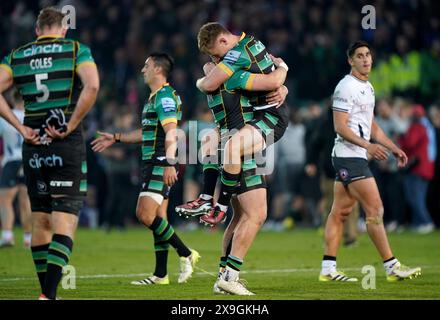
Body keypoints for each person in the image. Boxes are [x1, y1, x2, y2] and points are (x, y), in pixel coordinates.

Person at [0, 7, 99, 299]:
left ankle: (46, 293)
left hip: (32, 146)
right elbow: (92, 86)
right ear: (64, 29)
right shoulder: (75, 49)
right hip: (64, 145)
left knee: (40, 221)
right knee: (64, 223)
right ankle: (48, 295)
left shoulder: (17, 56)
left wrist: (19, 127)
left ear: (37, 30)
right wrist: (71, 124)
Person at [91, 52, 200, 285]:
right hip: (154, 160)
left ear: (158, 70)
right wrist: (117, 137)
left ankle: (186, 253)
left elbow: (171, 132)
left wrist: (170, 163)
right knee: (159, 218)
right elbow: (146, 133)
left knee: (144, 214)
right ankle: (161, 274)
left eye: (147, 65)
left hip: (161, 161)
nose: (142, 70)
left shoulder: (165, 97)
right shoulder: (154, 97)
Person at [319, 40, 421, 282]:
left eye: (368, 55)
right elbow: (339, 126)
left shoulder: (368, 87)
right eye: (360, 56)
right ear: (350, 61)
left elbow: (371, 125)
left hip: (351, 156)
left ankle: (327, 270)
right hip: (349, 156)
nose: (366, 59)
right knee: (375, 210)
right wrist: (369, 146)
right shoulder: (346, 87)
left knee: (340, 213)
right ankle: (391, 267)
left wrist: (394, 147)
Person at [194, 22, 290, 226]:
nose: (216, 60)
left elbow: (210, 82)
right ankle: (206, 198)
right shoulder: (250, 43)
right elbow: (271, 75)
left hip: (271, 117)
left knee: (232, 146)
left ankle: (220, 206)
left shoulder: (236, 54)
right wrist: (282, 79)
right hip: (258, 115)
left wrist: (199, 82)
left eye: (215, 54)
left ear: (223, 40)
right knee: (211, 138)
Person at [0, 90, 32, 248]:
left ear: (12, 98)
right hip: (27, 161)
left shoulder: (5, 117)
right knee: (26, 201)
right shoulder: (32, 117)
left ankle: (7, 235)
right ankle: (28, 238)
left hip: (11, 160)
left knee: (5, 201)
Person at [398, 104, 436, 234]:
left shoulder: (417, 127)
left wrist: (401, 137)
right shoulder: (426, 127)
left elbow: (409, 143)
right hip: (425, 167)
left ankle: (426, 222)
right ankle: (418, 223)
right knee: (417, 197)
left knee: (415, 197)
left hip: (418, 168)